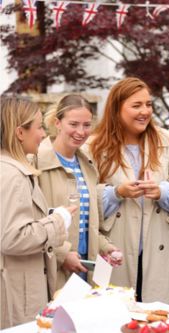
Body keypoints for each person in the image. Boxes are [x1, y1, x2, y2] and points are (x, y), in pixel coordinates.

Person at [88, 77, 169, 303]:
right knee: (115, 318)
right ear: (117, 109)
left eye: (148, 105)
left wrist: (163, 192)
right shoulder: (94, 147)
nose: (144, 111)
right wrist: (115, 192)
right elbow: (83, 194)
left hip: (161, 252)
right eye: (136, 105)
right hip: (114, 251)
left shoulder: (168, 142)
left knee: (158, 320)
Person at [0, 97, 74, 329]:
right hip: (18, 295)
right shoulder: (13, 176)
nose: (43, 134)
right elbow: (11, 237)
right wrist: (58, 221)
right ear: (20, 132)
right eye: (40, 127)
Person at [36, 94, 123, 288]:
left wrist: (106, 247)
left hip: (84, 267)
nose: (81, 132)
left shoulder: (88, 165)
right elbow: (33, 223)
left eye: (86, 125)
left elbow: (87, 223)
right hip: (52, 269)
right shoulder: (36, 163)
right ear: (58, 123)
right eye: (73, 124)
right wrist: (62, 254)